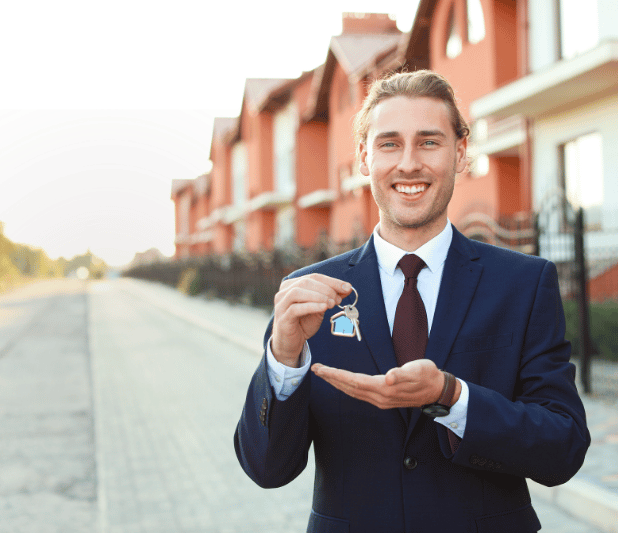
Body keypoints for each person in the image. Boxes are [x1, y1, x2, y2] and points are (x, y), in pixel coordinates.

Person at [235, 70, 590, 533]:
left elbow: (562, 448)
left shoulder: (523, 284)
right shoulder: (306, 294)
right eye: (388, 144)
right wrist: (283, 359)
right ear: (364, 157)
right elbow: (267, 469)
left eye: (428, 142)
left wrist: (452, 397)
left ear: (460, 153)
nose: (408, 164)